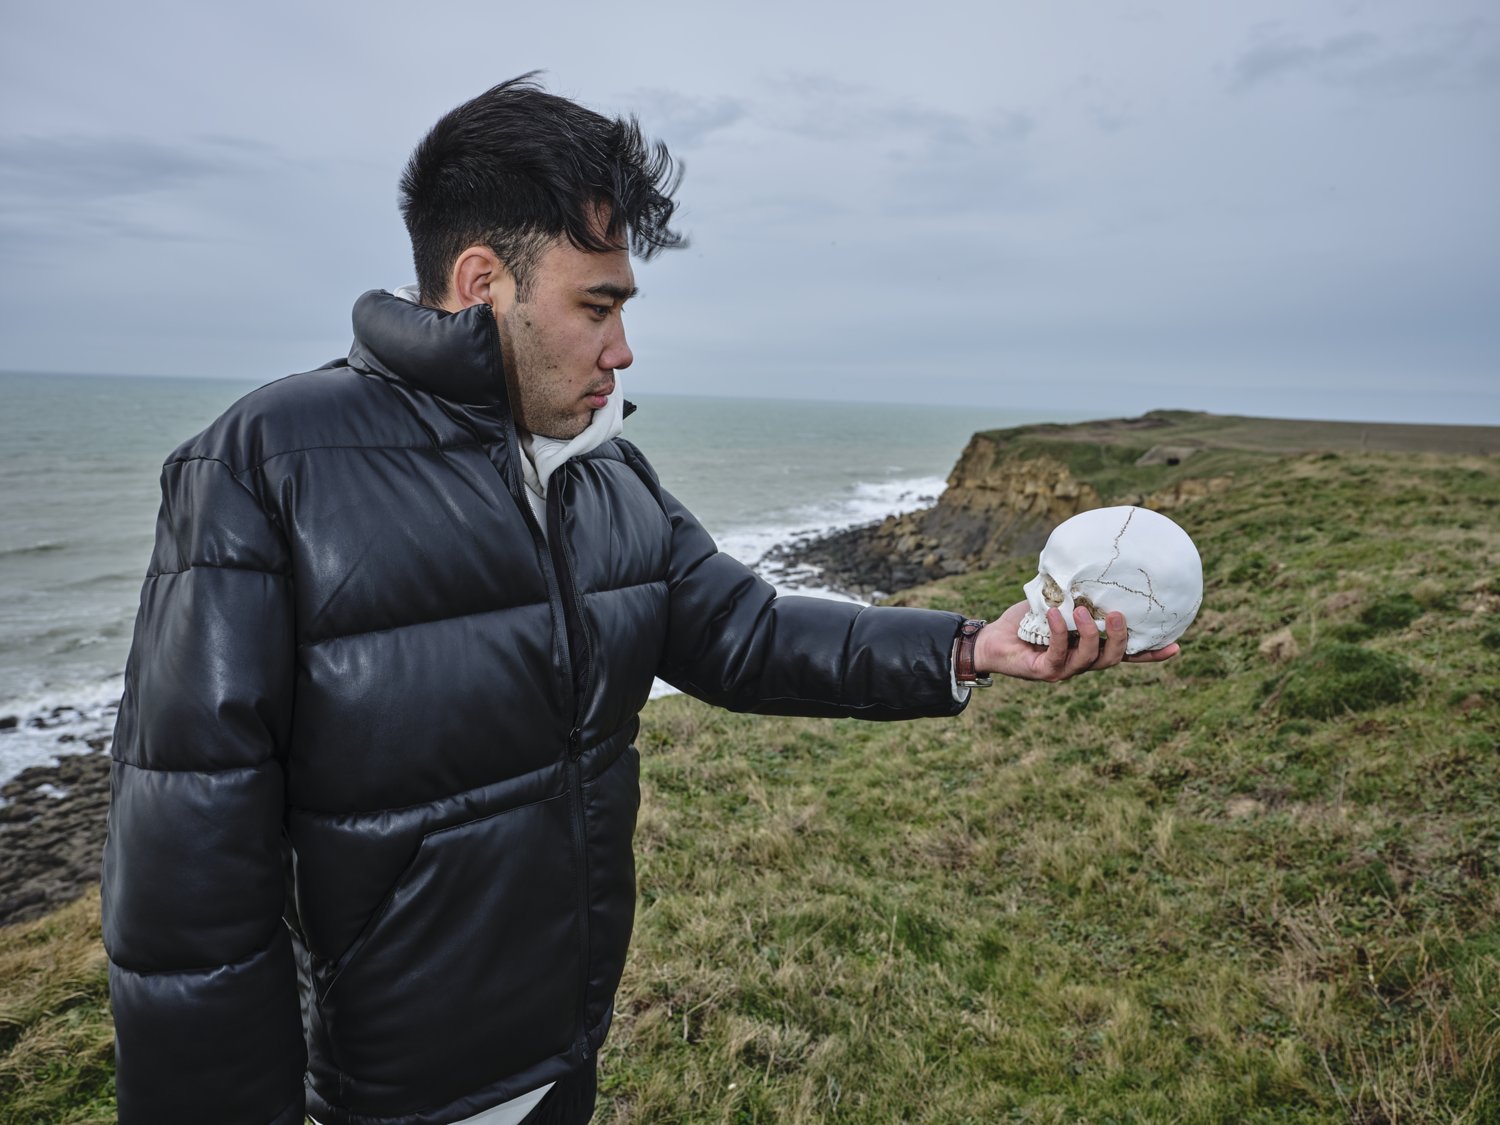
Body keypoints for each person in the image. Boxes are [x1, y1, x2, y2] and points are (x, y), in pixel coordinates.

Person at [100, 75, 1178, 1125]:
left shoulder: (607, 470)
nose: (622, 349)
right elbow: (188, 883)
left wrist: (973, 647)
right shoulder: (267, 466)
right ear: (481, 283)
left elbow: (745, 634)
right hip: (380, 1095)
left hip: (562, 1058)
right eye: (597, 305)